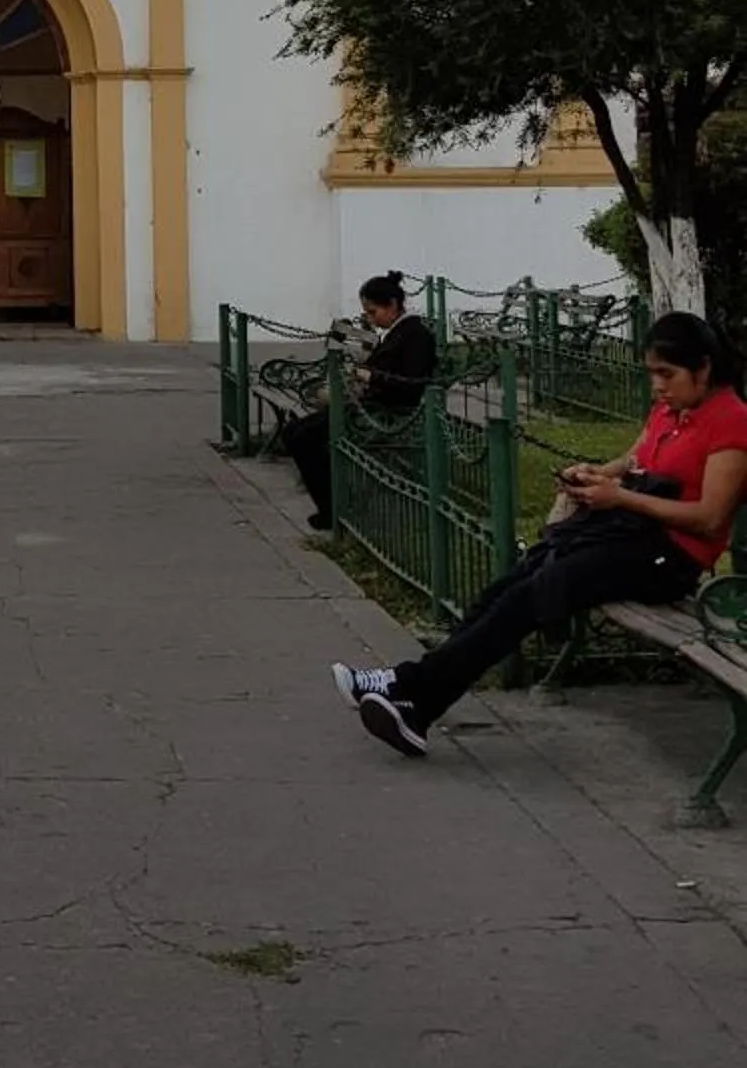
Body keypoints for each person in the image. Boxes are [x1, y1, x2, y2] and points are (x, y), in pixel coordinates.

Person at [335, 310, 747, 759]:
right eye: (652, 374)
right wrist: (592, 475)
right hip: (623, 538)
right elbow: (634, 462)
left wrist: (620, 498)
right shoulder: (671, 409)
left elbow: (709, 518)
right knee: (511, 584)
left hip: (668, 559)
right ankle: (408, 688)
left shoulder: (732, 421)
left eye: (667, 374)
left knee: (535, 592)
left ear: (703, 368)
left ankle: (414, 699)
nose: (657, 386)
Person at [284, 273, 436, 530]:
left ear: (392, 304)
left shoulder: (415, 335)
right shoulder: (398, 332)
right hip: (368, 406)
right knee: (294, 432)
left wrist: (370, 376)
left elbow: (411, 385)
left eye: (373, 312)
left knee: (303, 438)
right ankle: (335, 500)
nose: (370, 319)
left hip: (385, 412)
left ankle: (333, 508)